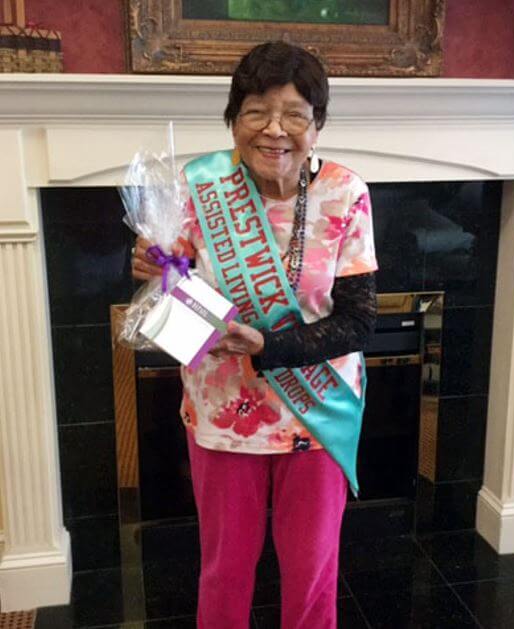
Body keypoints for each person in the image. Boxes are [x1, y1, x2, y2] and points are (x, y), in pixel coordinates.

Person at [132, 41, 378, 629]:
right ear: (233, 120)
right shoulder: (197, 190)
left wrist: (271, 347)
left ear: (316, 125)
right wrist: (153, 263)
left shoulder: (346, 193)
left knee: (313, 574)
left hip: (316, 415)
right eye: (256, 112)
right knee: (224, 571)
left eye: (295, 113)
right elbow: (175, 288)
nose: (275, 129)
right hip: (222, 414)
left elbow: (358, 320)